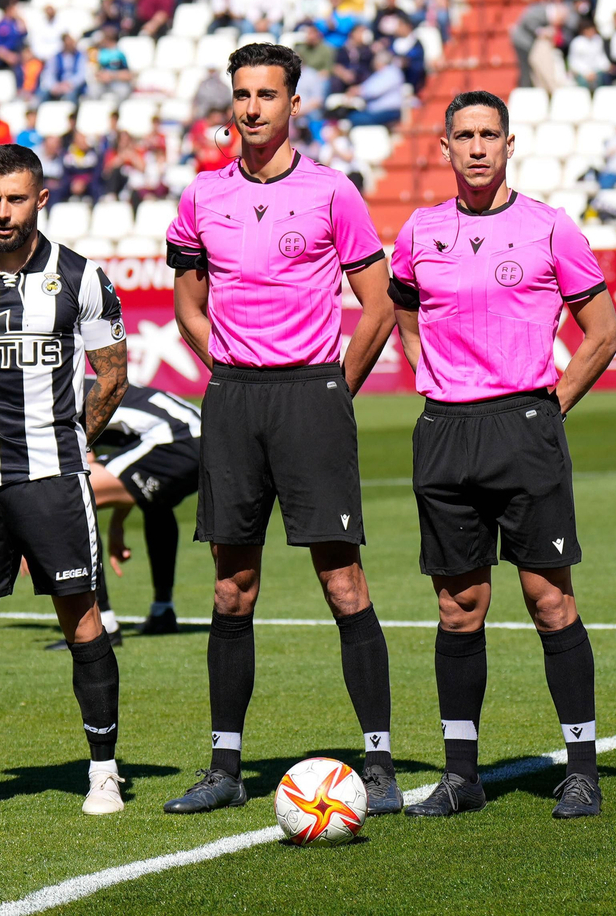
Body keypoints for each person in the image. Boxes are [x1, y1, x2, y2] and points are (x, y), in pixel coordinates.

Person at [163, 43, 401, 816]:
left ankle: (379, 763)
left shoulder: (334, 193)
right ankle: (225, 768)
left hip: (310, 400)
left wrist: (336, 388)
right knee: (232, 589)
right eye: (243, 94)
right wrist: (223, 366)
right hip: (234, 402)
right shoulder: (202, 196)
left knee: (343, 582)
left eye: (268, 93)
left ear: (294, 102)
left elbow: (380, 306)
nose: (254, 107)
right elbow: (188, 305)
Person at [389, 91, 616, 819]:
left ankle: (580, 770)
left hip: (524, 427)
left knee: (548, 599)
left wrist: (549, 406)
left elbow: (604, 332)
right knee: (460, 607)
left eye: (491, 134)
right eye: (466, 136)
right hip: (446, 431)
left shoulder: (549, 227)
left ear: (510, 143)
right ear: (446, 147)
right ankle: (462, 775)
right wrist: (430, 367)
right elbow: (402, 306)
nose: (479, 147)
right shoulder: (420, 231)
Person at [0, 144, 130, 817]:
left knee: (81, 615)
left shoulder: (81, 277)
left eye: (14, 199)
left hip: (53, 478)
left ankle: (103, 773)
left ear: (41, 199)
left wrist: (69, 441)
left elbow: (112, 375)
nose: (2, 212)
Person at [85, 381, 202, 637]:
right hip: (200, 440)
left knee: (72, 498)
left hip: (174, 441)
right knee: (156, 503)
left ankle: (101, 625)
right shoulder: (90, 386)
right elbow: (127, 466)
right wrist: (117, 525)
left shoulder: (62, 397)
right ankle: (163, 610)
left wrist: (29, 543)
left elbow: (85, 472)